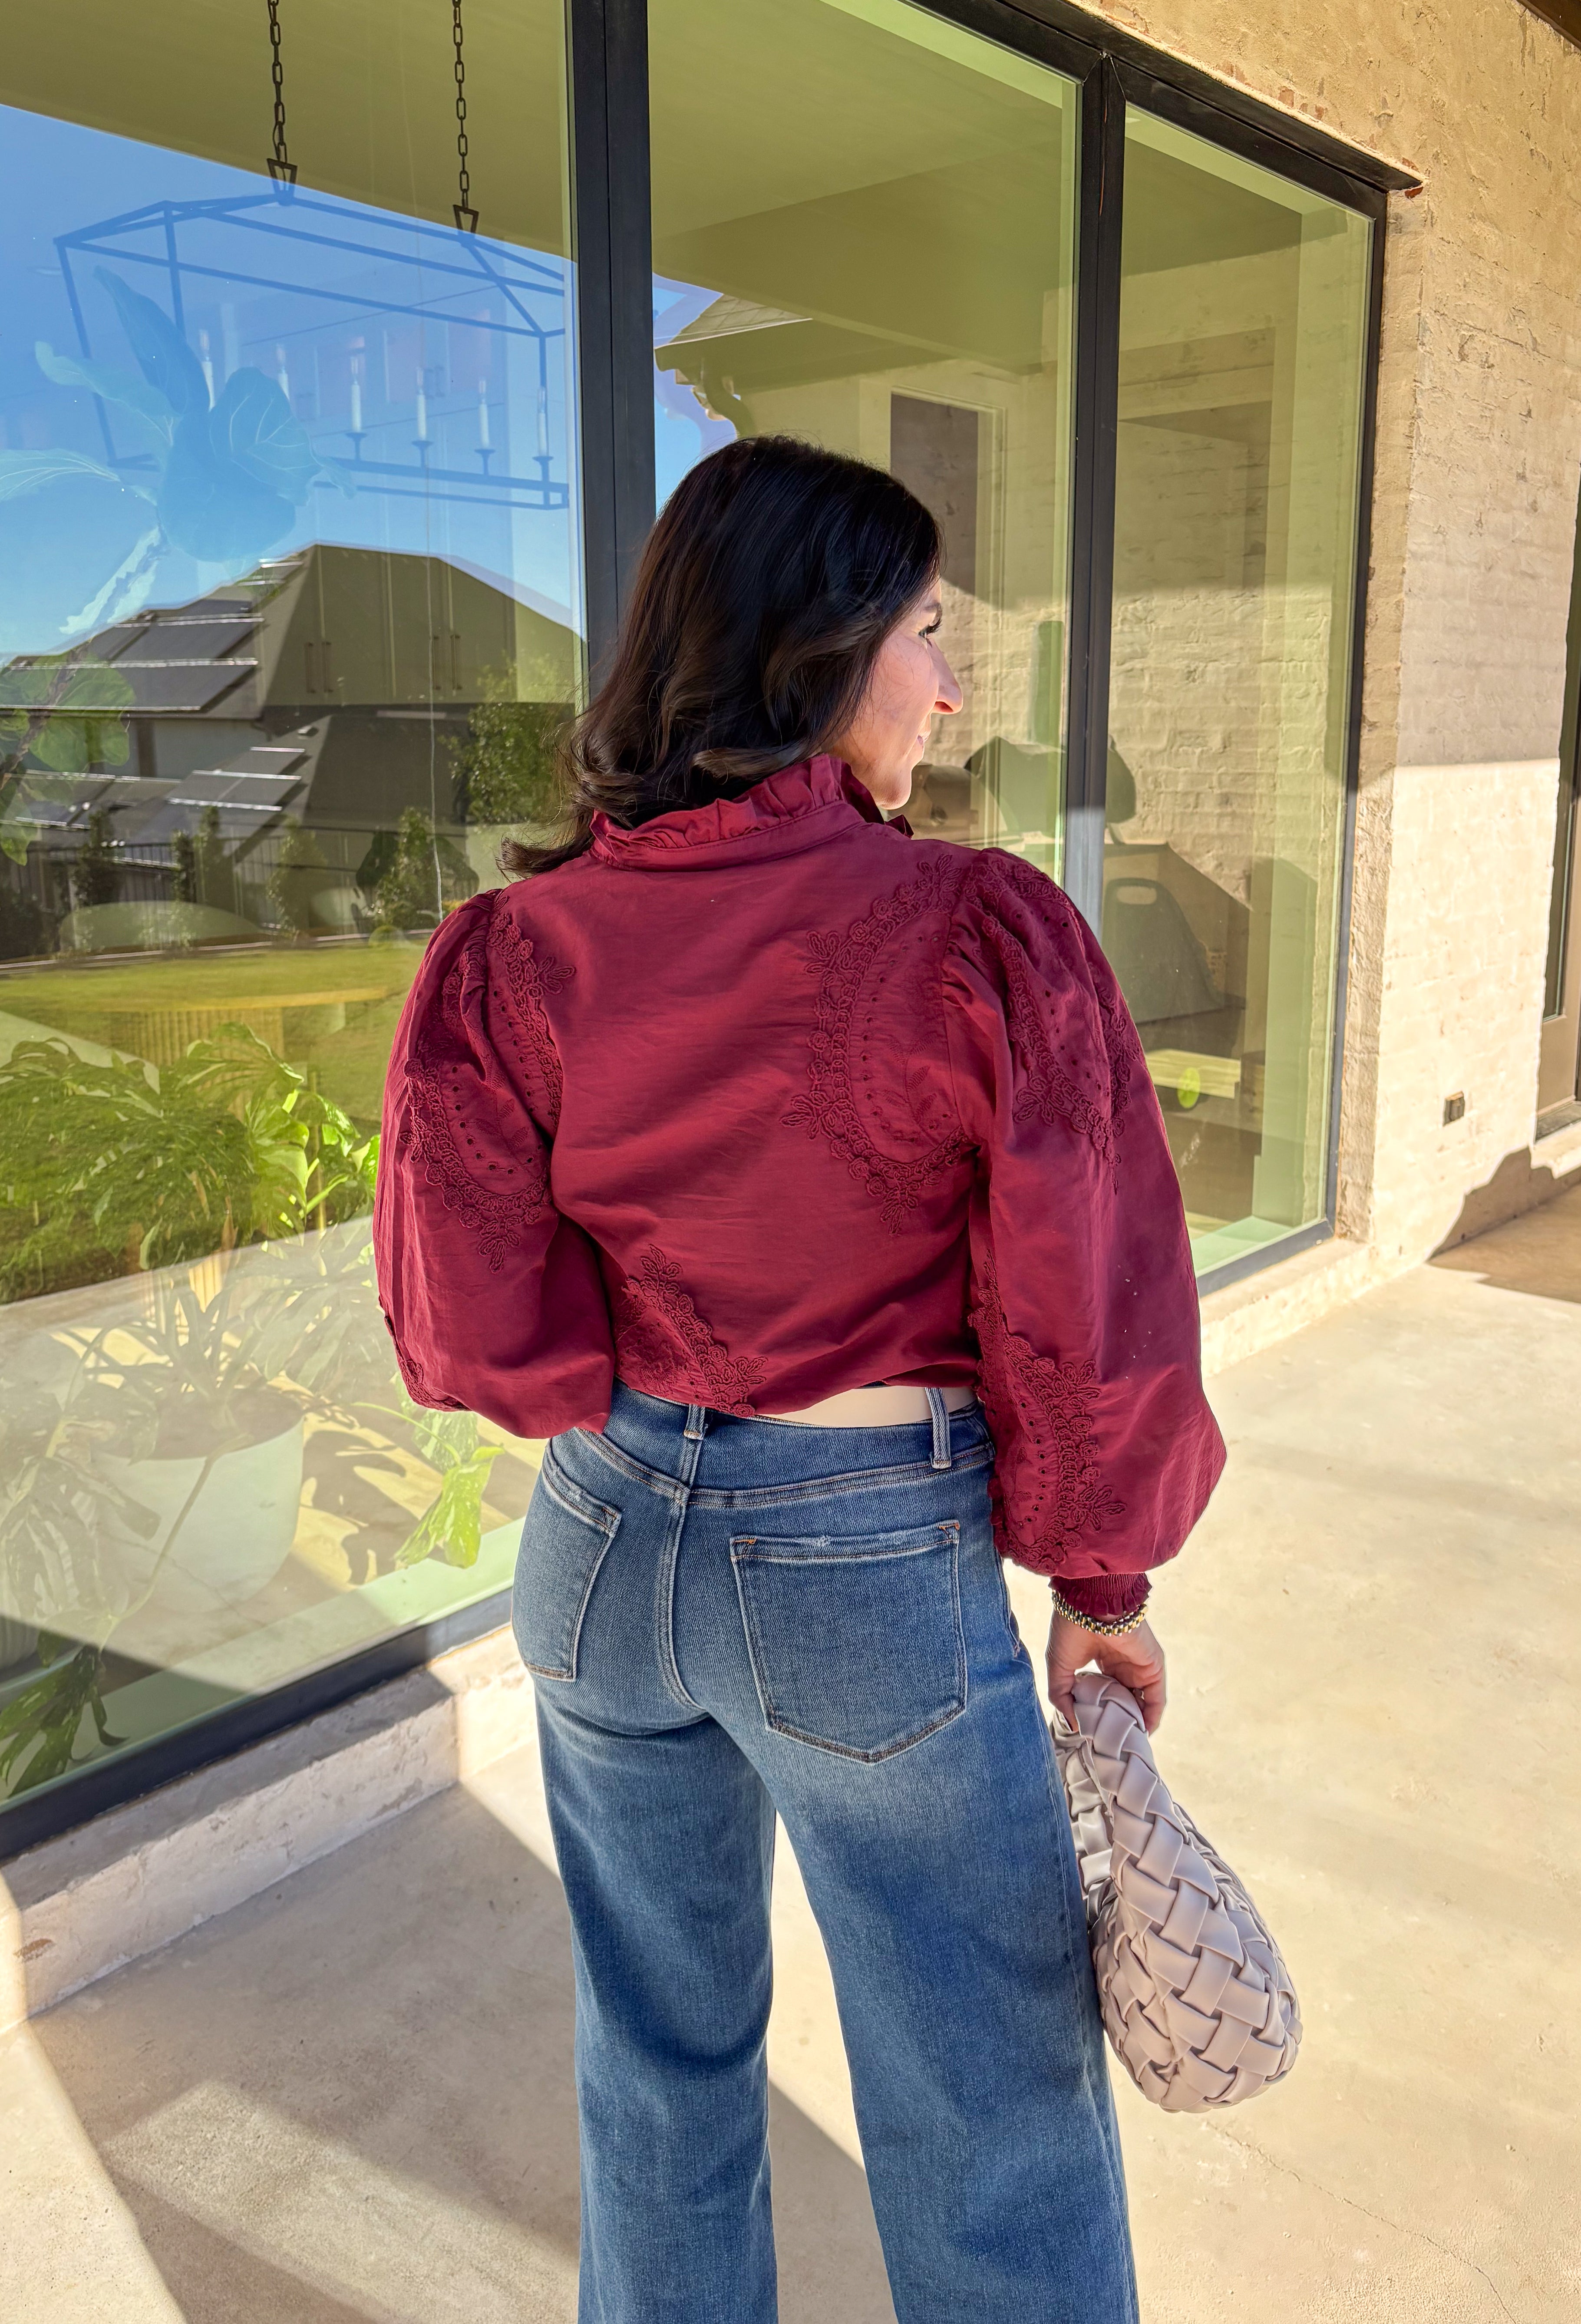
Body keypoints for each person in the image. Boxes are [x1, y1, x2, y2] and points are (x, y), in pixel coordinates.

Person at [375, 436, 1225, 2323]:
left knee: (656, 2064)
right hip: (861, 1584)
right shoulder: (968, 936)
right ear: (817, 650)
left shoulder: (511, 954)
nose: (952, 678)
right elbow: (1089, 1306)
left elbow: (482, 1336)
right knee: (985, 2105)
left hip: (598, 1559)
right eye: (928, 630)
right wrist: (1100, 1583)